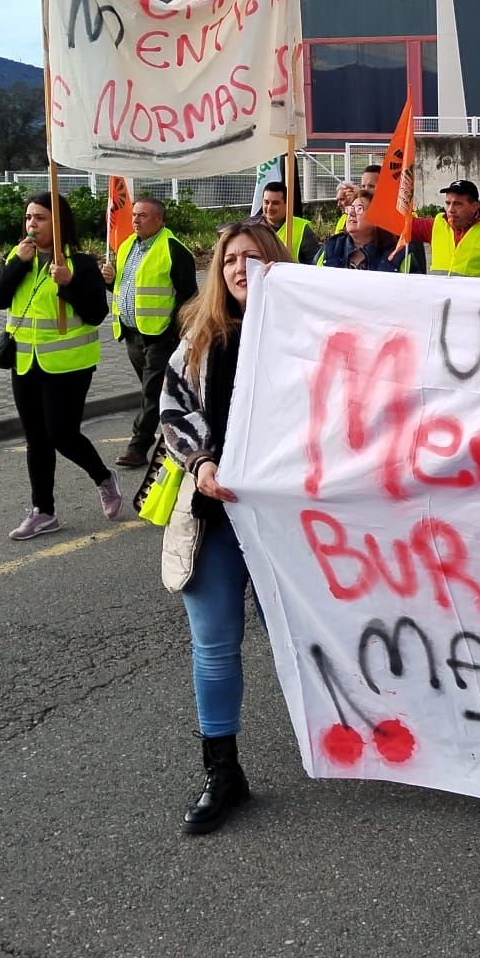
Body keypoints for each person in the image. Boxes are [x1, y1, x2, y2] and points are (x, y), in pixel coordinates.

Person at [160, 222, 291, 835]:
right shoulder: (197, 342)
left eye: (255, 257)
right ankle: (223, 771)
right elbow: (174, 411)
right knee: (213, 649)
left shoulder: (305, 338)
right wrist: (202, 461)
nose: (241, 267)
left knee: (307, 639)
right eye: (231, 259)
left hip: (287, 523)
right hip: (214, 518)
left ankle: (361, 739)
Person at [0, 192, 119, 541]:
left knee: (62, 434)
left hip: (69, 365)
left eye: (40, 218)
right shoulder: (18, 256)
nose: (32, 224)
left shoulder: (80, 264)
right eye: (29, 217)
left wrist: (69, 284)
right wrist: (17, 264)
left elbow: (95, 314)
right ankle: (43, 511)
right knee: (36, 439)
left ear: (59, 223)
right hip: (25, 363)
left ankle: (103, 477)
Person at [99, 195, 198, 471]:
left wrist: (174, 334)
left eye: (142, 215)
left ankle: (138, 447)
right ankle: (182, 426)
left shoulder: (174, 250)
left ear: (159, 219)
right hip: (132, 333)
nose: (135, 220)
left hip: (160, 335)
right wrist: (109, 282)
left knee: (152, 393)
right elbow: (126, 288)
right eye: (134, 215)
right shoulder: (126, 245)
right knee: (150, 390)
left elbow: (189, 297)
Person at [398, 179, 480, 277]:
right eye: (448, 203)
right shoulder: (435, 225)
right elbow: (397, 224)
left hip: (473, 302)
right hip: (438, 300)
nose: (451, 209)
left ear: (475, 206)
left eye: (458, 204)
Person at [320, 192, 407, 271]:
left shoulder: (395, 254)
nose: (351, 213)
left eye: (359, 209)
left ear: (377, 218)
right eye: (350, 208)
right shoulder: (331, 247)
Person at [257, 181, 322, 264]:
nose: (269, 207)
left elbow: (314, 263)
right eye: (266, 202)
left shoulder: (302, 229)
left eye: (275, 203)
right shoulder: (252, 228)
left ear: (287, 204)